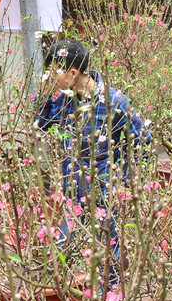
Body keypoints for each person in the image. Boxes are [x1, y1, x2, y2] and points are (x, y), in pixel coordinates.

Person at [37, 39, 151, 285]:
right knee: (61, 250)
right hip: (72, 196)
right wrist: (45, 95)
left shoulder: (115, 102)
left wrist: (125, 185)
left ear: (73, 72)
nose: (49, 76)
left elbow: (143, 143)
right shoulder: (64, 101)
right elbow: (41, 126)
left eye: (53, 70)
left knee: (109, 256)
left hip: (105, 197)